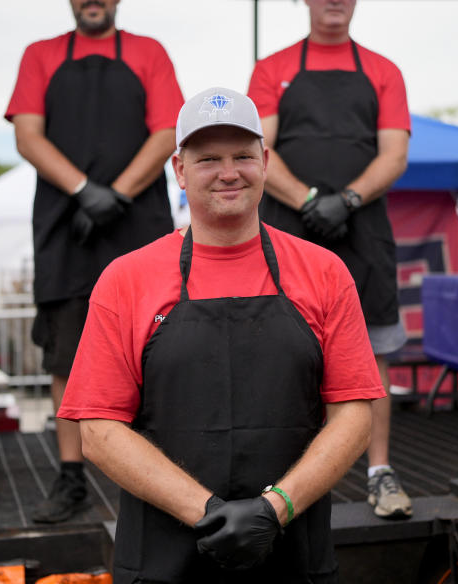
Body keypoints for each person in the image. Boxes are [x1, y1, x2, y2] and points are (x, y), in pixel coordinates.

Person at [58, 87, 386, 583]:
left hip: (291, 548)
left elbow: (355, 414)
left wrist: (273, 509)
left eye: (242, 156)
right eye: (208, 158)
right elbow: (99, 432)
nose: (228, 172)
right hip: (164, 559)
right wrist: (209, 511)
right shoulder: (127, 279)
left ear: (266, 161)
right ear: (180, 170)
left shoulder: (324, 272)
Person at [5, 0, 184, 523]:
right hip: (65, 230)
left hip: (140, 226)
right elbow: (28, 137)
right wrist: (85, 190)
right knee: (66, 355)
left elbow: (166, 134)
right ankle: (72, 477)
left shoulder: (149, 52)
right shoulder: (40, 55)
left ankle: (158, 469)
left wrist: (119, 195)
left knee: (157, 346)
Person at [247, 0, 413, 520]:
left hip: (364, 233)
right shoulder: (272, 69)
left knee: (372, 355)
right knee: (281, 350)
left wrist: (347, 200)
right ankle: (281, 478)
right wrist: (310, 202)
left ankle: (380, 471)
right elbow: (258, 150)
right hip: (290, 230)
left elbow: (394, 155)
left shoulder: (384, 71)